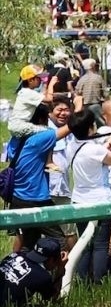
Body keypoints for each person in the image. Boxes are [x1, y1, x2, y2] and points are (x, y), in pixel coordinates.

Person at [67, 108, 111, 284]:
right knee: (100, 244)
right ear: (90, 127)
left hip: (79, 201)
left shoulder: (72, 146)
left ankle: (82, 283)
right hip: (100, 201)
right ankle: (98, 283)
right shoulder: (94, 149)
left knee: (84, 244)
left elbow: (96, 154)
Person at [6, 104, 74, 252]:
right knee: (60, 243)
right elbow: (72, 126)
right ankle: (60, 268)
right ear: (42, 119)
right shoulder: (41, 137)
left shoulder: (16, 139)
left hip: (17, 198)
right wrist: (79, 109)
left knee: (27, 244)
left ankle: (17, 266)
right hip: (36, 199)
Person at [0, 237, 67, 307]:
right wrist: (60, 269)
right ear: (51, 260)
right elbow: (52, 298)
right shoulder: (43, 277)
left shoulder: (16, 254)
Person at [47, 99, 78, 251]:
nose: (63, 113)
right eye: (59, 110)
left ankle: (73, 263)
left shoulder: (71, 134)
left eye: (66, 110)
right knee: (47, 232)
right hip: (46, 190)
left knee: (69, 231)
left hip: (64, 189)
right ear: (50, 113)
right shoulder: (46, 130)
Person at [75, 58, 108, 125]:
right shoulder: (98, 78)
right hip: (96, 104)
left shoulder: (82, 79)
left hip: (85, 106)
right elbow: (105, 93)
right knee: (101, 124)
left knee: (87, 124)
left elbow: (77, 93)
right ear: (92, 66)